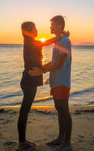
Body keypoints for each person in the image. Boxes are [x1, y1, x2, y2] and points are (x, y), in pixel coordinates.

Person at [17, 21, 69, 150]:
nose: (37, 29)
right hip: (29, 81)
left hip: (29, 81)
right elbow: (48, 42)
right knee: (24, 111)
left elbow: (47, 42)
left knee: (25, 110)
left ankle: (22, 141)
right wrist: (62, 35)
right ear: (29, 30)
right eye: (34, 28)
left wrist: (43, 69)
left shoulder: (31, 43)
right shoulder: (31, 44)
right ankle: (22, 143)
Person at [29, 15, 72, 151]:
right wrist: (42, 68)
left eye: (52, 24)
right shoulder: (59, 41)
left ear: (59, 25)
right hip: (55, 81)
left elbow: (59, 63)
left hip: (62, 82)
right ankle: (60, 138)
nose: (50, 27)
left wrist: (42, 70)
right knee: (59, 110)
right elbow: (54, 62)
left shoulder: (65, 41)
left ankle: (67, 141)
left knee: (64, 110)